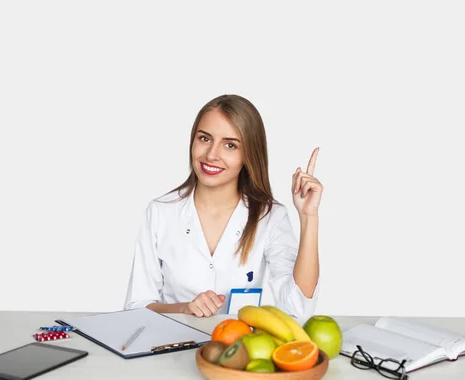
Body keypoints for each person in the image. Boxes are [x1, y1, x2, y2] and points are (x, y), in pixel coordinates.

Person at [124, 94, 323, 320]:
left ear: (248, 155)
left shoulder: (270, 217)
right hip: (171, 346)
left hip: (239, 348)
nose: (211, 155)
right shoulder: (161, 211)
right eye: (205, 138)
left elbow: (298, 309)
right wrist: (184, 308)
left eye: (230, 145)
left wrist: (309, 217)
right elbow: (136, 308)